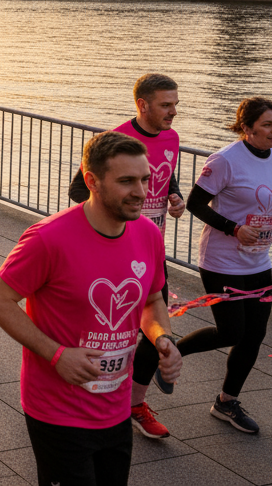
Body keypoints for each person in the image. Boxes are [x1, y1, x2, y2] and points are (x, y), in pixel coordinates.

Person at [0, 131, 182, 486]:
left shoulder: (149, 235)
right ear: (91, 181)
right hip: (58, 412)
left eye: (144, 179)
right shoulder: (48, 238)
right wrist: (57, 354)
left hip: (116, 407)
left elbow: (152, 299)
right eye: (126, 181)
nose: (142, 192)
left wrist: (162, 337)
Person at [167, 97, 272, 434]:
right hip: (222, 260)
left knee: (254, 335)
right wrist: (234, 228)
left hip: (259, 260)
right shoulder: (226, 160)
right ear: (247, 128)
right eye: (268, 125)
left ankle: (226, 402)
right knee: (231, 331)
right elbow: (196, 203)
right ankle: (171, 350)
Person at [67, 73, 184, 439]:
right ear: (142, 105)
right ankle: (75, 392)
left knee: (158, 331)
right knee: (103, 330)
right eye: (166, 105)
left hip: (151, 249)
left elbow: (164, 172)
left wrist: (173, 195)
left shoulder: (172, 138)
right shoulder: (117, 141)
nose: (173, 112)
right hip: (112, 250)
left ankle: (134, 403)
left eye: (176, 104)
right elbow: (77, 189)